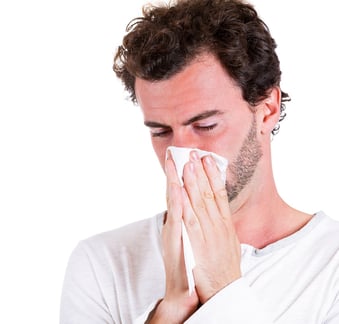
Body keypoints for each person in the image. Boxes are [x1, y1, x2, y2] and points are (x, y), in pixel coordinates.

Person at [60, 0, 339, 323]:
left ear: (267, 109)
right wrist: (167, 313)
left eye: (205, 126)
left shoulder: (330, 265)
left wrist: (224, 289)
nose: (181, 155)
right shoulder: (103, 264)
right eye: (161, 131)